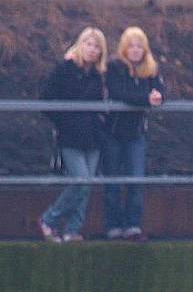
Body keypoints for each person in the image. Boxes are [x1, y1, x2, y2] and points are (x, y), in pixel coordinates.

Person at [38, 27, 108, 243]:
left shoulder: (97, 76)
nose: (92, 49)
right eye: (88, 44)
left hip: (92, 136)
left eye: (97, 46)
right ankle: (49, 219)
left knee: (86, 185)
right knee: (81, 179)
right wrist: (63, 122)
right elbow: (46, 98)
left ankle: (73, 229)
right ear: (80, 44)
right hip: (70, 136)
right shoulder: (65, 69)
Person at [102, 26, 165, 241]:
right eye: (131, 46)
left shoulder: (150, 68)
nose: (136, 50)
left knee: (136, 179)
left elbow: (160, 90)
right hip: (113, 132)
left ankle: (132, 224)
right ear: (124, 48)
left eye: (140, 46)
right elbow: (121, 93)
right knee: (113, 181)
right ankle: (113, 225)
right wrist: (146, 98)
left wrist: (157, 95)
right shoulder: (115, 67)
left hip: (136, 133)